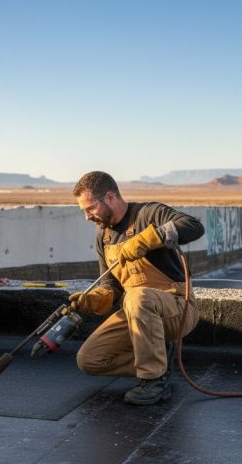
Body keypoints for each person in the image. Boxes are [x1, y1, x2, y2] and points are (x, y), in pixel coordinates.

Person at [70, 171, 204, 405]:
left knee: (137, 297)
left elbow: (193, 226)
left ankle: (155, 381)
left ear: (110, 197)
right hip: (137, 310)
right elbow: (110, 284)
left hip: (178, 308)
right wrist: (94, 299)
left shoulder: (149, 213)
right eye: (83, 211)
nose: (87, 217)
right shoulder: (103, 237)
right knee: (89, 359)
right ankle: (158, 359)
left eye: (90, 208)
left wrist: (144, 240)